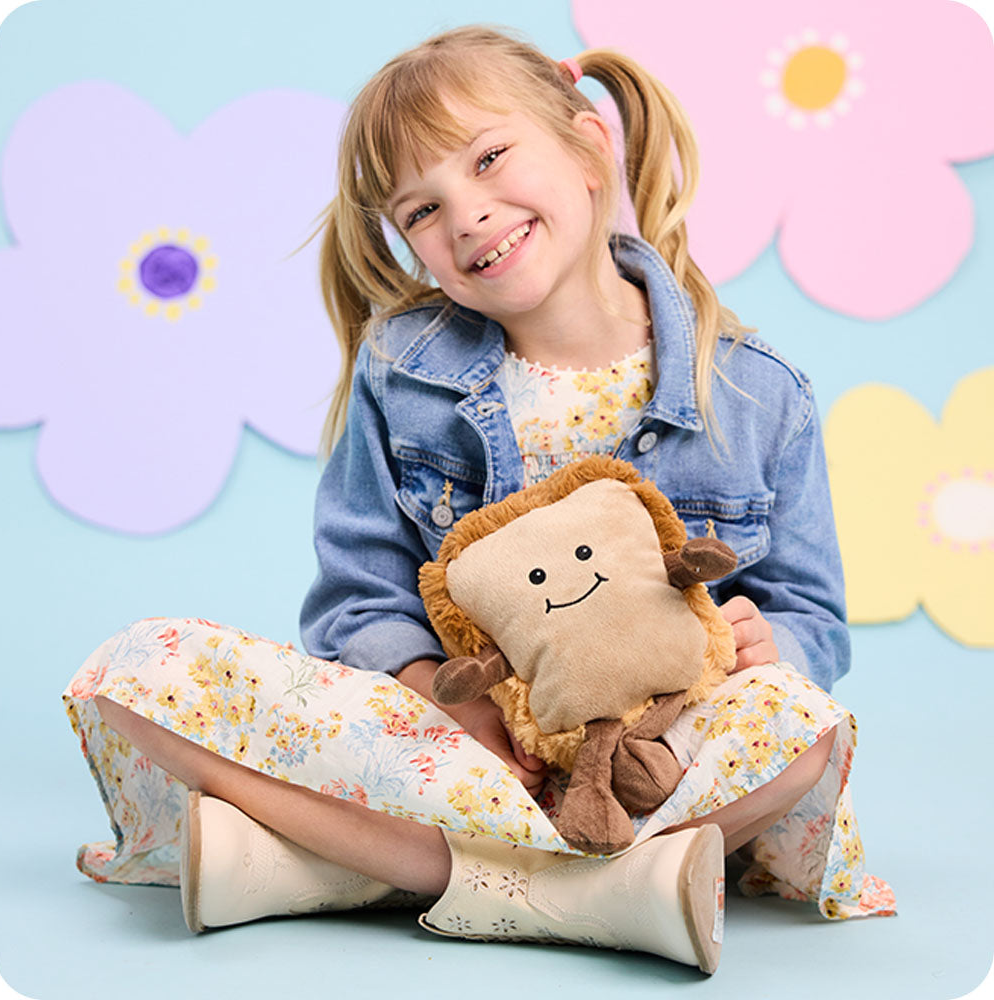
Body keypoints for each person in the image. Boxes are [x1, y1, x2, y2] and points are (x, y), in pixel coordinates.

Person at [70, 25, 893, 978]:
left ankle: (352, 866)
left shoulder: (756, 395)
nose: (467, 215)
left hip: (651, 758)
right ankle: (591, 892)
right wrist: (448, 708)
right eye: (422, 209)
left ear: (589, 147)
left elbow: (812, 620)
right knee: (139, 668)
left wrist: (768, 642)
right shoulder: (400, 372)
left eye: (490, 158)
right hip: (463, 751)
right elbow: (358, 599)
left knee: (801, 725)